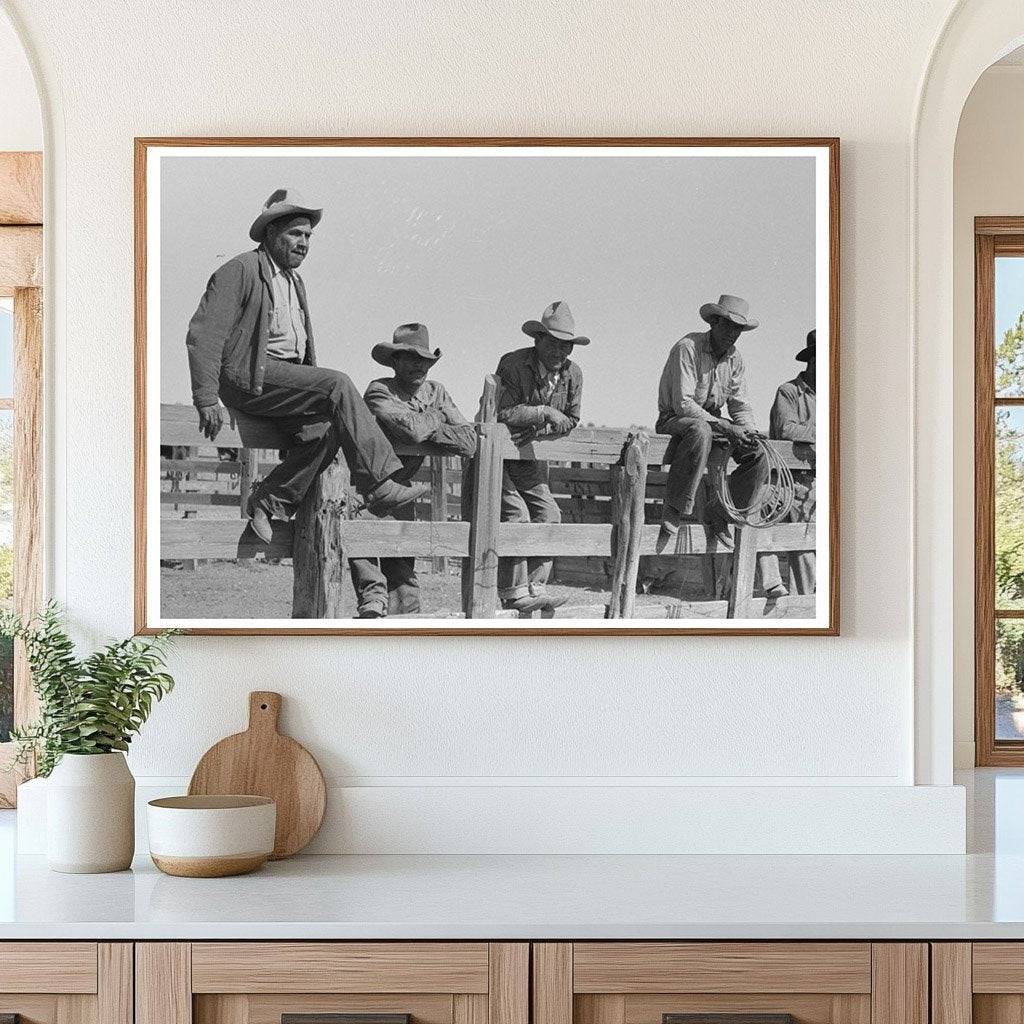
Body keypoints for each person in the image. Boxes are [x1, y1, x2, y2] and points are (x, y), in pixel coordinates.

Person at [184, 188, 427, 544]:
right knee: (338, 383)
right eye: (295, 234)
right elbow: (203, 335)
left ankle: (269, 501)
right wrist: (206, 397)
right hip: (249, 377)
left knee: (327, 429)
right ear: (270, 233)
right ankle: (380, 486)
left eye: (308, 236)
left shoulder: (294, 281)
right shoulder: (240, 270)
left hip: (281, 382)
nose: (303, 243)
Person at [351, 323, 477, 618]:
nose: (419, 365)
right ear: (395, 361)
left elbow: (469, 440)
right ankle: (372, 608)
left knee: (404, 582)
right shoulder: (379, 390)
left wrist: (427, 425)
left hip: (403, 487)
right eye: (410, 358)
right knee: (368, 572)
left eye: (424, 360)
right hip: (368, 486)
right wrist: (438, 417)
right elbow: (411, 431)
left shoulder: (437, 391)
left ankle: (405, 632)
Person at [494, 301, 588, 614]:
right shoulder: (513, 364)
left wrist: (541, 433)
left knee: (550, 514)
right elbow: (501, 411)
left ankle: (535, 586)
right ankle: (513, 592)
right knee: (516, 514)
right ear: (538, 341)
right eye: (553, 344)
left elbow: (572, 420)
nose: (559, 353)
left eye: (566, 346)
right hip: (497, 456)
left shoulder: (573, 375)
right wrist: (543, 412)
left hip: (529, 455)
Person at [655, 293, 769, 548]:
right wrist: (727, 426)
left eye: (738, 328)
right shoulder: (688, 347)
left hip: (712, 422)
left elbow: (739, 403)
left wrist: (749, 430)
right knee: (700, 430)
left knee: (758, 453)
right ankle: (674, 507)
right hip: (675, 418)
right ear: (714, 323)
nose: (732, 333)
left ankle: (721, 513)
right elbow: (683, 404)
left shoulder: (735, 358)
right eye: (728, 325)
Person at [760, 329, 817, 597]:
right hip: (783, 477)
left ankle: (810, 598)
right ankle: (773, 584)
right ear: (812, 360)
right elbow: (787, 429)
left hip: (813, 479)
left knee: (806, 540)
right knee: (762, 514)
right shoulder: (789, 392)